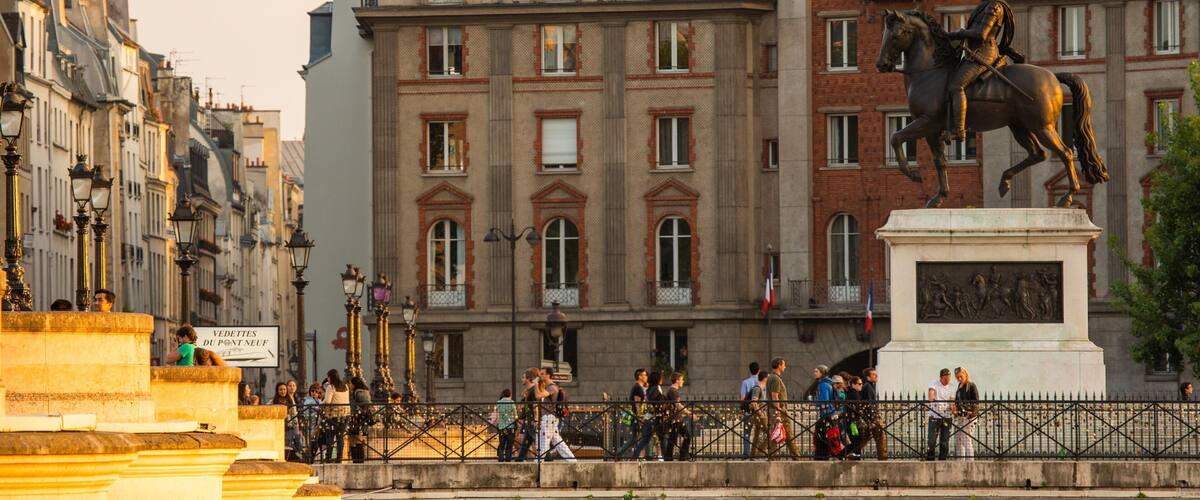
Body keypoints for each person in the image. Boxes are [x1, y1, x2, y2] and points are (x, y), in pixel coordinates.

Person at [942, 0, 1024, 143]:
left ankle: (958, 131)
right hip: (974, 53)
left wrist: (959, 33)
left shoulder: (994, 6)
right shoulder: (985, 5)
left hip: (984, 53)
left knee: (956, 86)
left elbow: (981, 34)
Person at [766, 357, 802, 460]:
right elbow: (775, 396)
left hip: (775, 411)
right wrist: (778, 412)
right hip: (779, 411)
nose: (785, 367)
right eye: (783, 364)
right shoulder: (776, 378)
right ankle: (796, 458)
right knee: (789, 435)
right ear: (779, 365)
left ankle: (772, 457)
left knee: (775, 435)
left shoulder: (771, 377)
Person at [537, 367, 575, 462]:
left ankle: (538, 462)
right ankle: (572, 461)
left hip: (549, 418)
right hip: (549, 418)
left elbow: (539, 395)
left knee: (543, 441)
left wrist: (535, 385)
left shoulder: (552, 387)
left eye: (542, 374)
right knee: (558, 442)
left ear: (548, 375)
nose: (540, 376)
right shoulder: (547, 387)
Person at [617, 369, 650, 459]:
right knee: (646, 436)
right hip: (637, 416)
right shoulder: (637, 388)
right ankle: (645, 455)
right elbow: (637, 403)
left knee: (635, 438)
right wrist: (640, 417)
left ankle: (619, 454)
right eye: (644, 375)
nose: (646, 376)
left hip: (637, 416)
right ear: (639, 376)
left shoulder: (639, 387)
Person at [633, 371, 665, 461]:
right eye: (660, 378)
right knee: (662, 437)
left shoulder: (650, 389)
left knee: (646, 439)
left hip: (649, 416)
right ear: (657, 379)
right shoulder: (655, 389)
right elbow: (657, 403)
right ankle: (667, 457)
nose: (662, 379)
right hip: (654, 417)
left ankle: (635, 456)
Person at [321, 369, 351, 463]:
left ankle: (329, 456)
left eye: (328, 377)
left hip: (333, 415)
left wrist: (320, 404)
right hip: (345, 414)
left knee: (330, 436)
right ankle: (339, 457)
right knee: (340, 436)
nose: (327, 379)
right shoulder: (345, 386)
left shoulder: (331, 387)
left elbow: (327, 401)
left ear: (331, 377)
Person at [926, 368, 956, 460]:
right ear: (941, 378)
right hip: (934, 416)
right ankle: (930, 459)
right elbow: (931, 395)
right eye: (945, 378)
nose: (947, 380)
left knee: (944, 441)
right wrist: (932, 396)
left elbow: (952, 400)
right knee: (931, 440)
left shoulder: (952, 386)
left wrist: (952, 407)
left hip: (947, 416)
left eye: (949, 378)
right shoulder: (934, 383)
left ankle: (942, 460)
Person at [663, 372, 692, 461]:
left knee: (685, 436)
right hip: (674, 419)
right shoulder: (672, 391)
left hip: (677, 419)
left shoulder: (673, 391)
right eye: (682, 379)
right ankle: (670, 458)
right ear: (677, 380)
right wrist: (689, 413)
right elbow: (678, 405)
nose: (683, 381)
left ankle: (682, 456)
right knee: (673, 439)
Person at [515, 368, 542, 461]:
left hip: (532, 421)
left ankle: (547, 457)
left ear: (528, 379)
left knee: (538, 442)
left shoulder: (532, 391)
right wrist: (521, 416)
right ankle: (520, 459)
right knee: (526, 443)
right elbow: (527, 407)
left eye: (523, 377)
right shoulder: (528, 391)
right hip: (529, 420)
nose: (522, 379)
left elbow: (535, 406)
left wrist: (536, 420)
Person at [860, 367, 887, 459]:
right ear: (868, 377)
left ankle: (851, 453)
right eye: (873, 374)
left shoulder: (870, 386)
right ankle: (882, 458)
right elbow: (869, 404)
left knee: (866, 439)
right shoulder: (868, 386)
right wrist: (872, 419)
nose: (876, 376)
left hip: (870, 418)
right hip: (872, 418)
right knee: (880, 438)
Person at [953, 367, 980, 460]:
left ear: (965, 374)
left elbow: (976, 402)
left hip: (969, 417)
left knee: (966, 440)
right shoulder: (959, 386)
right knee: (958, 440)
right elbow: (957, 401)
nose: (959, 379)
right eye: (957, 377)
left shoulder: (971, 385)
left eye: (961, 376)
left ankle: (970, 462)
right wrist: (955, 409)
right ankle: (960, 461)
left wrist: (971, 412)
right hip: (960, 416)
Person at [812, 364, 836, 460]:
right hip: (831, 412)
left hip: (826, 413)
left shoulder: (823, 384)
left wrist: (817, 404)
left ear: (822, 373)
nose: (815, 373)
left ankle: (821, 456)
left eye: (816, 371)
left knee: (821, 435)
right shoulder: (829, 383)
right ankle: (825, 454)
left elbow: (824, 400)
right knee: (825, 435)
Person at [347, 376, 372, 463]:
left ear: (354, 384)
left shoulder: (358, 392)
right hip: (363, 419)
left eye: (350, 383)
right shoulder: (365, 391)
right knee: (359, 440)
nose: (349, 385)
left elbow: (363, 405)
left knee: (355, 439)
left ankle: (357, 459)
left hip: (358, 419)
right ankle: (359, 458)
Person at [739, 362, 761, 458]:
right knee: (760, 432)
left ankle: (747, 453)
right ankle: (759, 452)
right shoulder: (762, 382)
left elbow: (742, 398)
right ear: (759, 370)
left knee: (746, 433)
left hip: (749, 411)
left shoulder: (745, 382)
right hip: (760, 411)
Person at [747, 370, 770, 457]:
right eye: (768, 377)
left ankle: (753, 455)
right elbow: (754, 402)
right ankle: (760, 451)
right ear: (765, 378)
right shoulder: (757, 388)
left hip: (760, 415)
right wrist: (761, 414)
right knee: (770, 432)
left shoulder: (762, 389)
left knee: (756, 436)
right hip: (760, 416)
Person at [844, 376, 866, 459]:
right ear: (853, 384)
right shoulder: (854, 394)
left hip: (851, 421)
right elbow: (856, 409)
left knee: (855, 441)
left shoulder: (851, 393)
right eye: (859, 384)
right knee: (856, 440)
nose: (861, 385)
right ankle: (843, 454)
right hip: (853, 422)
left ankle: (851, 454)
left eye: (861, 384)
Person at [495, 388, 516, 462]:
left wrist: (497, 423)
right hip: (511, 427)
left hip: (501, 427)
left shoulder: (499, 402)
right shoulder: (512, 402)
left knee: (502, 444)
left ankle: (500, 459)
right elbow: (515, 415)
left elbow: (496, 415)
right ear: (510, 395)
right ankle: (508, 459)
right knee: (509, 445)